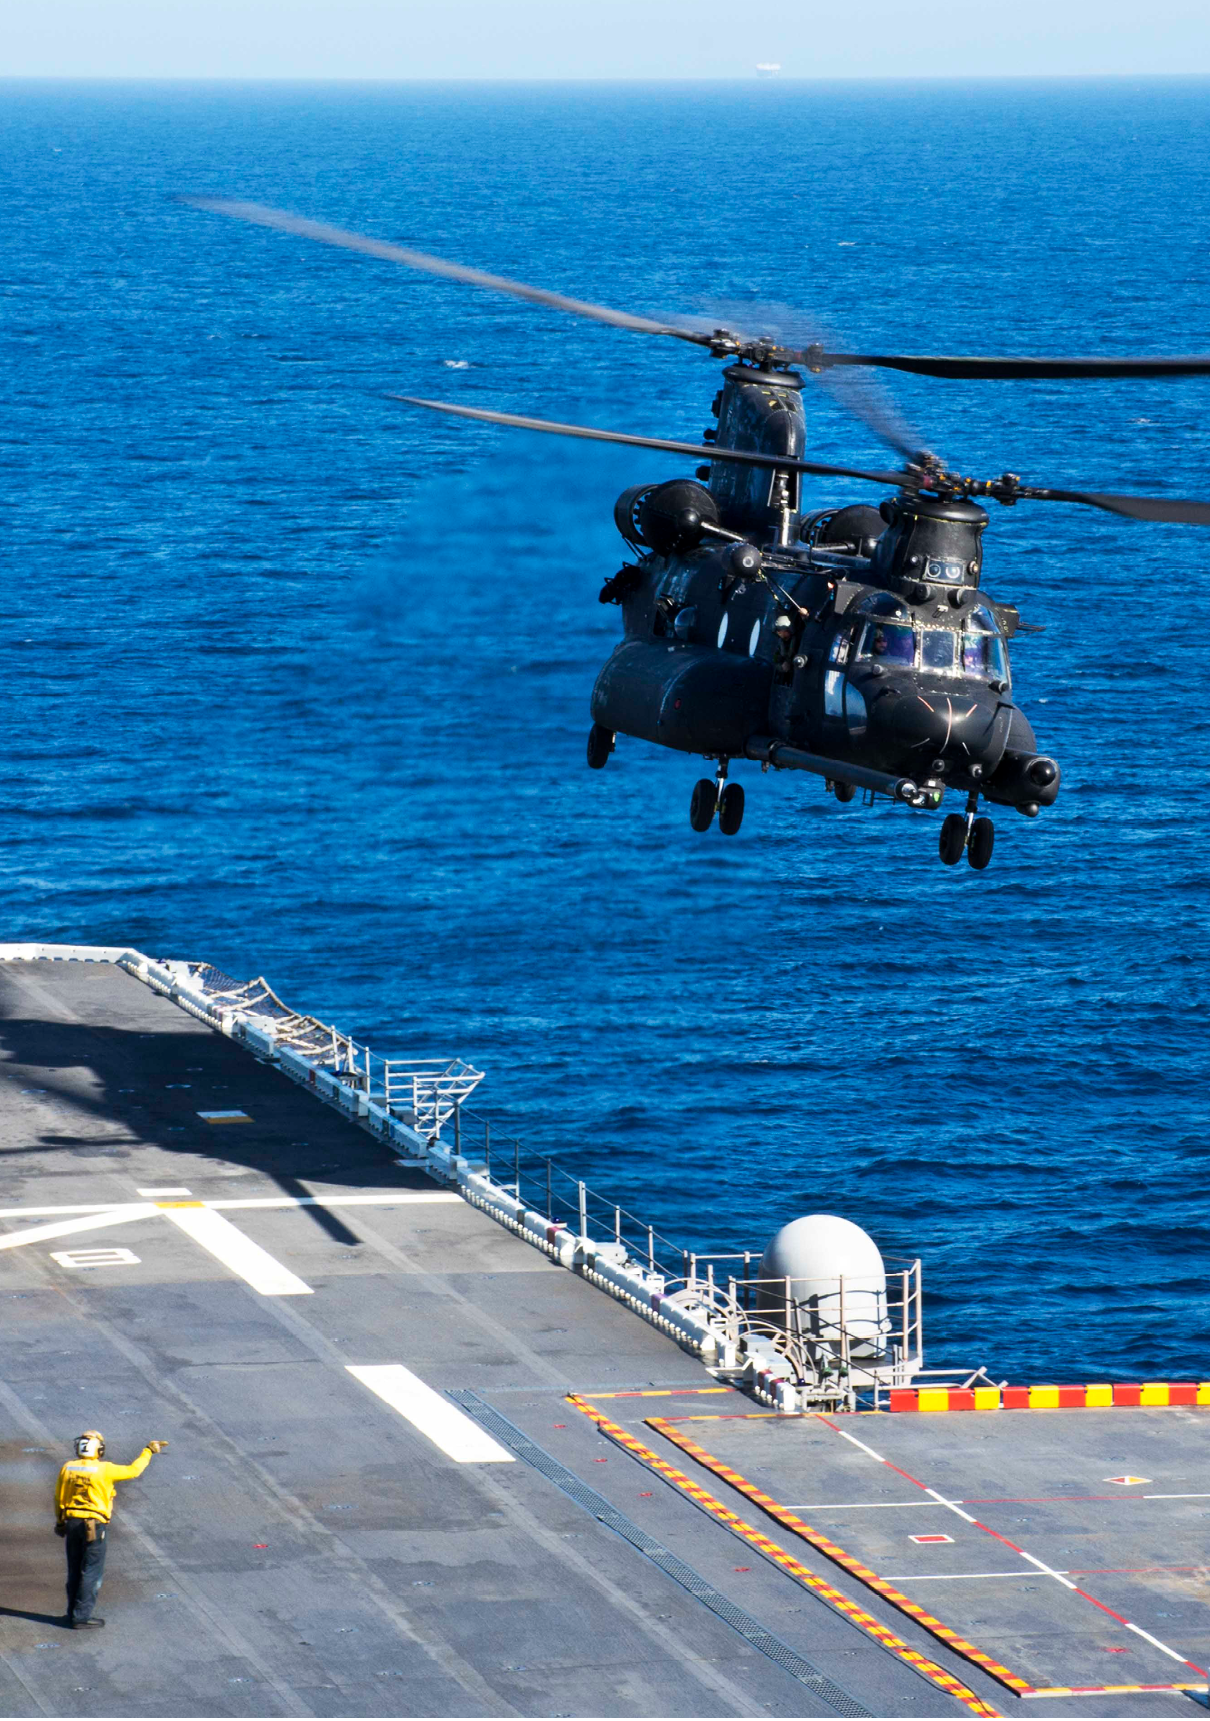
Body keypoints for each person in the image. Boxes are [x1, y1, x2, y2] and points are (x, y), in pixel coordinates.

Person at [54, 1430, 167, 1628]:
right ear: (100, 1449)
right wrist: (148, 1451)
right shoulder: (105, 1469)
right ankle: (81, 1617)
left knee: (74, 1569)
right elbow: (134, 1471)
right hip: (94, 1525)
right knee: (91, 1571)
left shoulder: (67, 1467)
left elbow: (59, 1498)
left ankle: (71, 1613)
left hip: (71, 1522)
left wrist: (60, 1522)